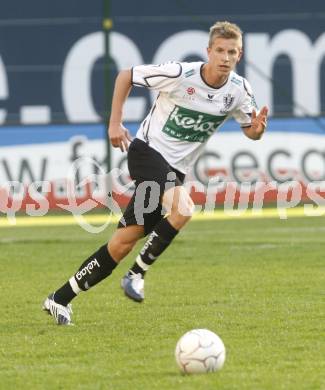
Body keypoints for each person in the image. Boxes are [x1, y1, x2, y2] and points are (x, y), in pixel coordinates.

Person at [43, 21, 268, 325]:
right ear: (208, 51)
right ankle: (136, 275)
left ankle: (59, 299)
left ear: (239, 55)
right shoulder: (180, 74)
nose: (225, 57)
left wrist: (256, 131)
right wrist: (114, 123)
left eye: (232, 52)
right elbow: (126, 76)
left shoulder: (239, 91)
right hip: (146, 152)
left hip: (175, 170)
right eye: (220, 51)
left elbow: (249, 130)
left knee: (123, 242)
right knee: (184, 208)